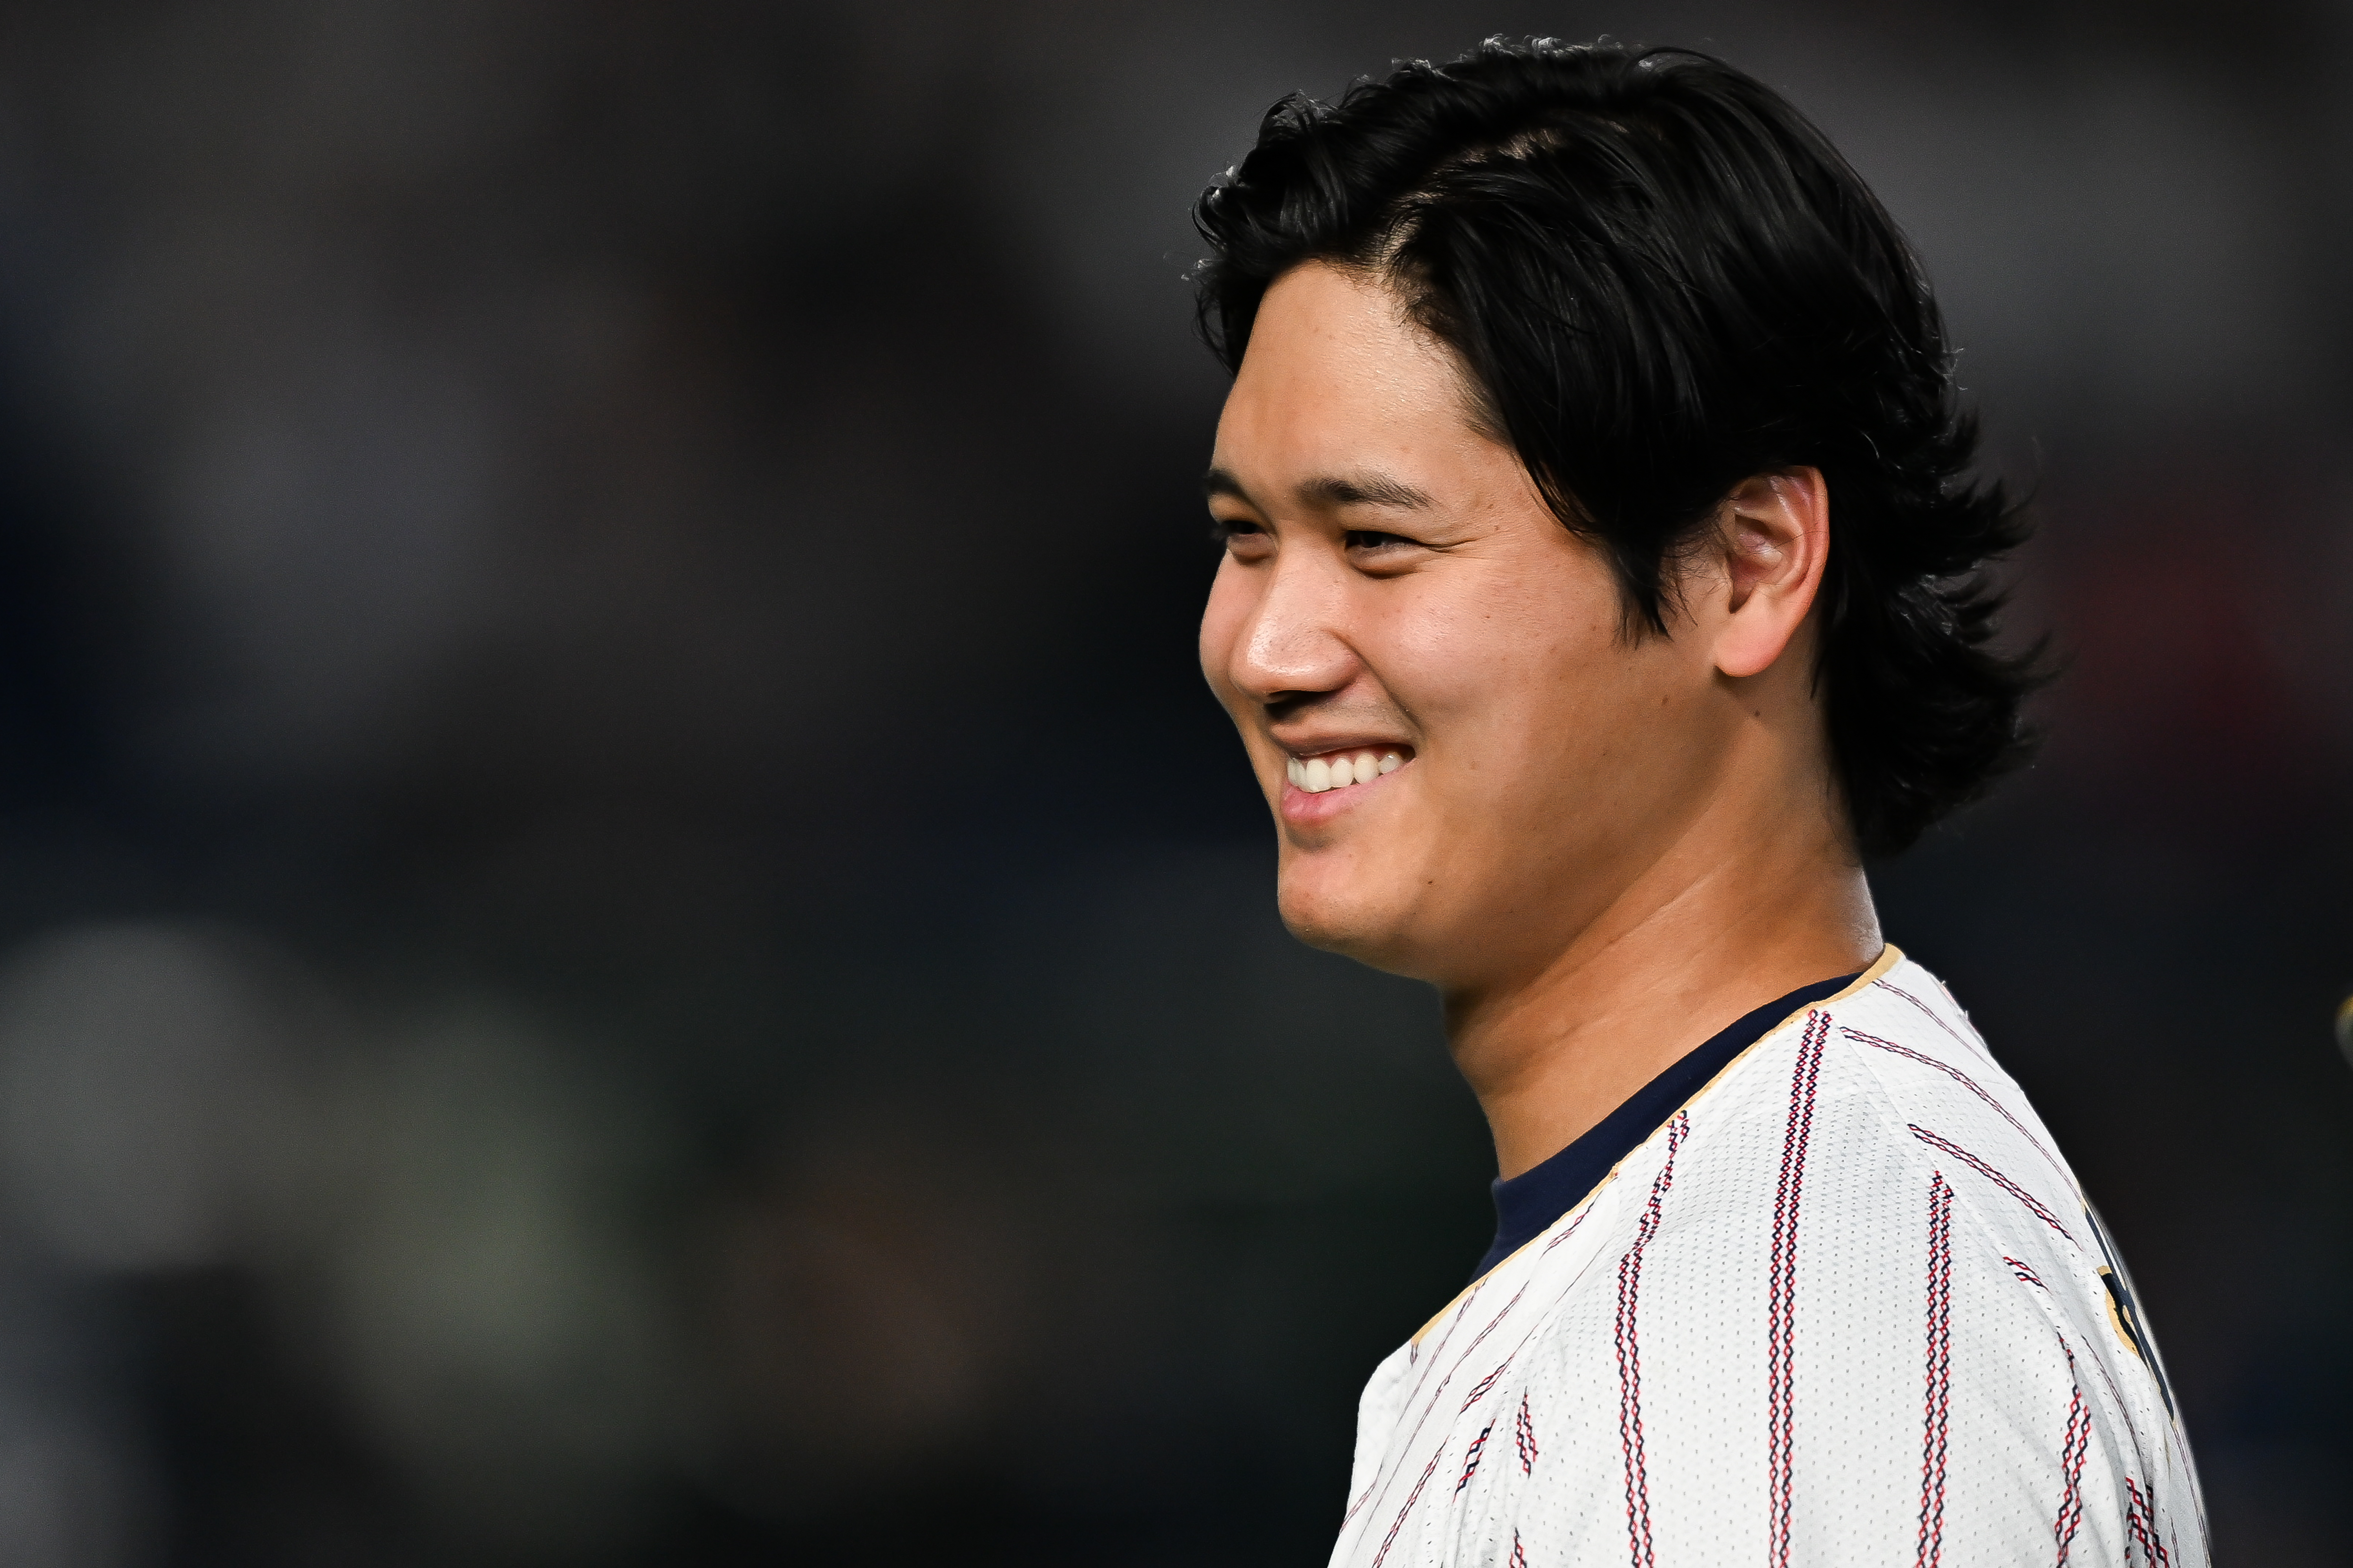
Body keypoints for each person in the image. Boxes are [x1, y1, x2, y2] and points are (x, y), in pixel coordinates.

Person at [1191, 39, 2204, 1568]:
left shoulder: (1788, 1331)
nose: (1267, 648)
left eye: (1378, 542)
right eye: (1246, 535)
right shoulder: (1763, 1242)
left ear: (1749, 566)